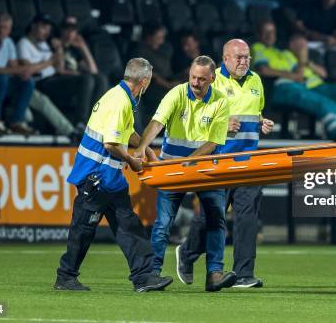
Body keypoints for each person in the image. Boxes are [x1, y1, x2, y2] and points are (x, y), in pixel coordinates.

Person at [55, 57, 173, 292]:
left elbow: (127, 133)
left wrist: (148, 151)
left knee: (126, 225)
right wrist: (132, 160)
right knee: (86, 228)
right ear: (145, 80)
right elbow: (110, 143)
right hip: (98, 176)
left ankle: (143, 277)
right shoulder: (120, 102)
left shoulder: (117, 96)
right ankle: (66, 276)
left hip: (106, 177)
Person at [133, 56, 236, 292]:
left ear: (212, 78)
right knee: (163, 224)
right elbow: (157, 123)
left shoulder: (220, 102)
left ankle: (214, 275)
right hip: (171, 167)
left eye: (201, 79)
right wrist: (140, 149)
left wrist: (188, 162)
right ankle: (152, 274)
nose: (196, 82)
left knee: (216, 220)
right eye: (193, 77)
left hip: (204, 168)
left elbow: (213, 142)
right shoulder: (176, 94)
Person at [178, 39, 274, 288]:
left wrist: (263, 122)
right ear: (225, 59)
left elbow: (257, 111)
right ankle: (187, 254)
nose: (244, 61)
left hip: (247, 161)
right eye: (239, 57)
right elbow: (194, 118)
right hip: (218, 161)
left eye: (247, 57)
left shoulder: (256, 81)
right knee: (213, 217)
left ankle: (243, 274)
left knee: (247, 216)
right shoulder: (212, 80)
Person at [252, 22, 336, 140]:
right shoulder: (257, 48)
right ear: (258, 34)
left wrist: (303, 59)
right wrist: (292, 74)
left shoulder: (286, 54)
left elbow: (313, 73)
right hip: (282, 86)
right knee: (328, 105)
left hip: (308, 86)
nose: (270, 35)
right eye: (266, 32)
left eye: (272, 32)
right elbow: (263, 69)